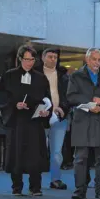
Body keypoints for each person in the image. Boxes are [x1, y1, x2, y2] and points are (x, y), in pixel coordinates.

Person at [67, 48, 100, 199]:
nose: (97, 62)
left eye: (99, 60)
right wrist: (91, 102)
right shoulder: (76, 76)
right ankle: (80, 189)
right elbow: (71, 97)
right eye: (94, 59)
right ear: (87, 59)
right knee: (80, 158)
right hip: (83, 121)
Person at [0, 45, 51, 196]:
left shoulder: (40, 77)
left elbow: (47, 98)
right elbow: (2, 97)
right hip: (17, 121)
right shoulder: (9, 75)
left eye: (32, 59)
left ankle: (35, 187)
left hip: (34, 121)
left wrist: (45, 110)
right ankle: (17, 187)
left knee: (35, 154)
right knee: (16, 153)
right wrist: (14, 105)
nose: (29, 63)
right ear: (20, 59)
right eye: (26, 59)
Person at [38, 48, 71, 190]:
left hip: (59, 117)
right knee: (39, 150)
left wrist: (62, 108)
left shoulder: (64, 76)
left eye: (55, 57)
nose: (53, 59)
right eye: (50, 56)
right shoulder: (35, 74)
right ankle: (36, 180)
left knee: (57, 152)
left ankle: (55, 179)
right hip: (41, 117)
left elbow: (69, 95)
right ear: (43, 57)